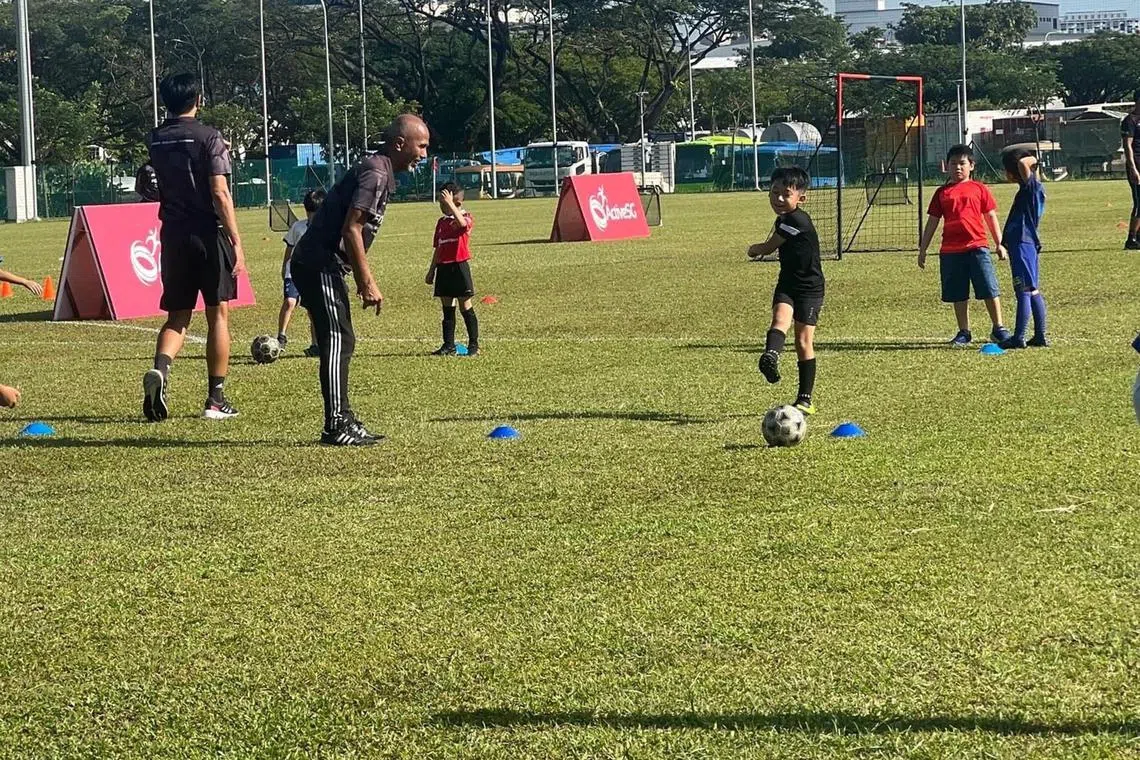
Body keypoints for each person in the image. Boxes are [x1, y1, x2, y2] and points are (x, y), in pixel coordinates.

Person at [290, 114, 430, 446]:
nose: (424, 154)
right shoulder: (376, 172)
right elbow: (351, 227)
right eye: (421, 146)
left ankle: (344, 418)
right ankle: (336, 424)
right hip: (318, 262)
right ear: (400, 143)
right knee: (338, 337)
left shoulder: (381, 171)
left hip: (325, 263)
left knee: (342, 337)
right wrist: (366, 282)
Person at [140, 73, 246, 423]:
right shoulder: (209, 137)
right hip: (207, 232)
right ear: (196, 99)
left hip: (172, 234)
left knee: (177, 316)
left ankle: (161, 371)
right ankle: (215, 399)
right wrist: (235, 238)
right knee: (218, 314)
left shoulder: (155, 139)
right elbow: (219, 192)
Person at [747, 166, 824, 415]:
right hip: (788, 282)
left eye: (786, 194)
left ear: (801, 197)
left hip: (809, 288)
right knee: (779, 320)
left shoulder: (797, 220)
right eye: (774, 192)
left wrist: (754, 248)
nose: (778, 199)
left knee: (803, 341)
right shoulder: (783, 219)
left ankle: (805, 398)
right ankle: (770, 356)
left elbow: (768, 247)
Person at [918, 145, 1011, 347]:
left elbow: (990, 216)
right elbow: (932, 221)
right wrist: (923, 248)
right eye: (953, 164)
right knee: (958, 293)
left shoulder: (979, 188)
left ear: (971, 166)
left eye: (962, 163)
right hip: (951, 251)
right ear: (946, 166)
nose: (957, 168)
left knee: (989, 287)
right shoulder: (942, 193)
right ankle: (964, 331)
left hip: (977, 247)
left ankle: (999, 328)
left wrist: (999, 243)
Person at [999, 148, 1048, 350]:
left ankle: (1019, 337)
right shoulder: (1030, 188)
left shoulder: (1031, 188)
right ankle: (1039, 335)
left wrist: (1033, 157)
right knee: (1033, 289)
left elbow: (1022, 164)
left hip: (1022, 243)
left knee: (1024, 290)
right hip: (1025, 243)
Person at [425, 183, 479, 357]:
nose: (442, 207)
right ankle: (449, 345)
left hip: (459, 265)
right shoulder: (441, 223)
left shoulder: (466, 217)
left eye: (444, 203)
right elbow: (438, 248)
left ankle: (473, 345)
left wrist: (450, 205)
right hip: (444, 267)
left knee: (465, 305)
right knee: (447, 307)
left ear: (456, 202)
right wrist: (432, 270)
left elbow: (463, 225)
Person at [278, 189, 325, 356]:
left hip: (312, 275)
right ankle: (281, 337)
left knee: (313, 310)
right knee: (290, 302)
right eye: (309, 212)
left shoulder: (325, 229)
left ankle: (315, 344)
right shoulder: (297, 227)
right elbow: (289, 248)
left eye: (315, 213)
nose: (312, 216)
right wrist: (285, 267)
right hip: (294, 272)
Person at [1120, 91, 1140, 250]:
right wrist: (1133, 168)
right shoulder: (1130, 121)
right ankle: (1131, 239)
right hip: (1137, 164)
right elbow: (1127, 145)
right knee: (1139, 202)